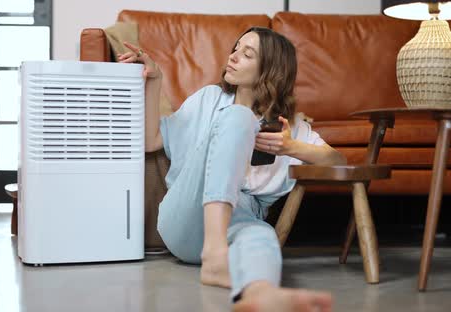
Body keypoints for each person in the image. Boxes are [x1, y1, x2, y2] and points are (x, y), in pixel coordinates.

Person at [118, 26, 344, 312]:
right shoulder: (209, 100)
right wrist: (155, 80)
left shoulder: (289, 129)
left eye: (247, 54)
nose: (234, 56)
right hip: (185, 215)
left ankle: (260, 291)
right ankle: (215, 255)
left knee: (262, 237)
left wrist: (292, 148)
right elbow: (151, 141)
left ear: (270, 70)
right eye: (236, 48)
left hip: (242, 217)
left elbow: (337, 161)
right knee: (238, 117)